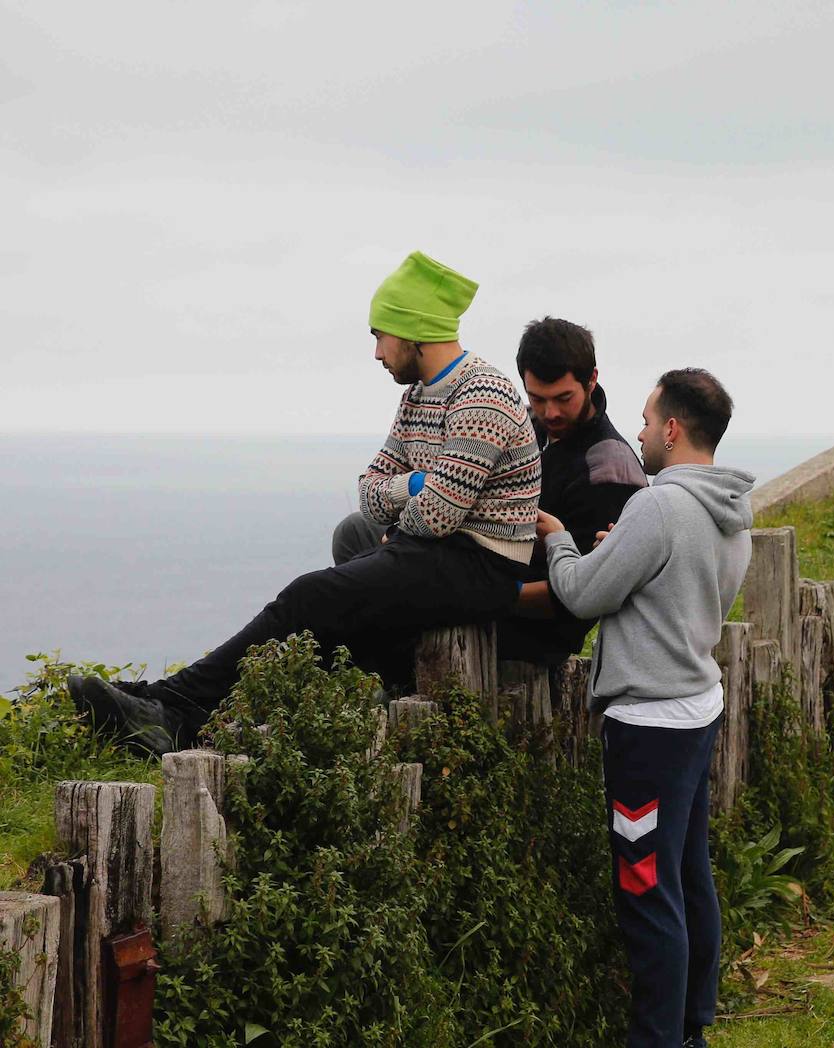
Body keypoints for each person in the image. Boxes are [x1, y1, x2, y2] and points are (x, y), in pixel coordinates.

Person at [68, 252, 541, 754]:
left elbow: (439, 515)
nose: (378, 352)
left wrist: (411, 496)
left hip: (482, 564)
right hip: (439, 552)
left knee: (309, 598)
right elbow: (370, 491)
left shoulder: (482, 395)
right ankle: (170, 709)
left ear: (412, 331)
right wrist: (416, 484)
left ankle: (171, 713)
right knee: (329, 608)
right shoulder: (418, 396)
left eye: (380, 334)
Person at [537, 368, 752, 1048]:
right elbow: (670, 586)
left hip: (648, 732)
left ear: (671, 428)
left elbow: (579, 595)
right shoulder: (729, 508)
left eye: (645, 418)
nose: (635, 431)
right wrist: (619, 556)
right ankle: (693, 1026)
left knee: (645, 889)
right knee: (688, 876)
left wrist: (557, 539)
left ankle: (656, 1039)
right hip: (695, 708)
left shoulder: (658, 508)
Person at [333, 316, 648, 666]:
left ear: (592, 380)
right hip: (461, 558)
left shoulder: (609, 469)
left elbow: (588, 593)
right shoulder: (517, 421)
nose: (550, 412)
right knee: (355, 531)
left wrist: (482, 594)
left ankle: (379, 650)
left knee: (376, 586)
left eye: (563, 398)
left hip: (524, 619)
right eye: (537, 398)